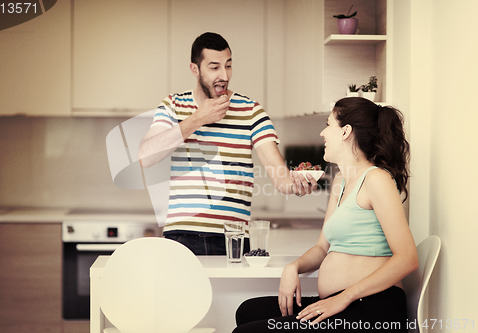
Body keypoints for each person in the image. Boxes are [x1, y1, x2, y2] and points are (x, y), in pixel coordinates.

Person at [233, 97, 418, 332]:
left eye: (328, 124)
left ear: (345, 132)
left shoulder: (376, 179)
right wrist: (293, 267)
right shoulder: (341, 180)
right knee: (248, 311)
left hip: (371, 308)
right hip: (342, 304)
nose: (322, 132)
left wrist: (344, 297)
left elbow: (407, 258)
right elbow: (322, 248)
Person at [138, 32, 316, 255]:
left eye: (228, 66)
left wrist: (297, 186)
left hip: (233, 238)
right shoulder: (174, 105)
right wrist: (197, 119)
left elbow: (279, 175)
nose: (224, 75)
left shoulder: (251, 111)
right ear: (195, 70)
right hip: (181, 236)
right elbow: (146, 156)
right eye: (214, 67)